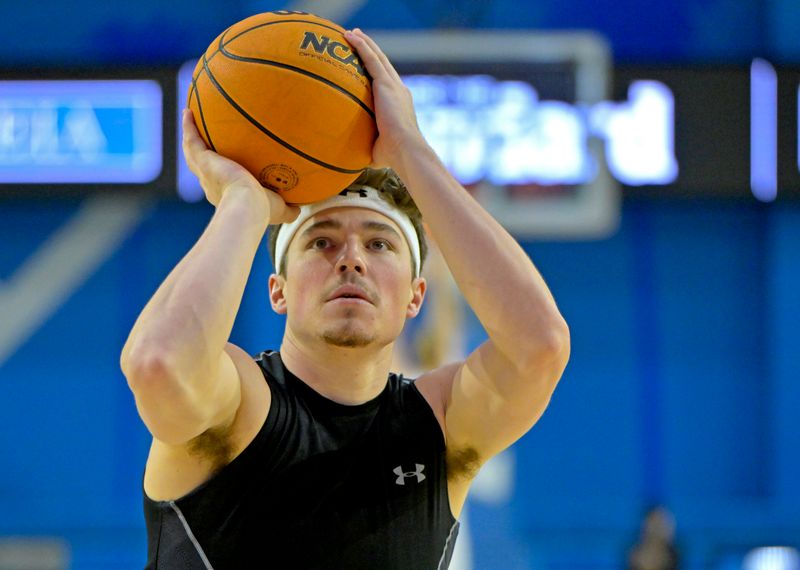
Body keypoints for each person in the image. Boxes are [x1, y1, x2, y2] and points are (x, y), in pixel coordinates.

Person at [121, 27, 570, 569]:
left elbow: (540, 345)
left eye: (379, 243)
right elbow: (157, 364)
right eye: (321, 240)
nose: (351, 258)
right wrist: (243, 203)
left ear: (415, 295)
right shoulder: (237, 408)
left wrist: (411, 152)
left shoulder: (439, 429)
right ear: (278, 290)